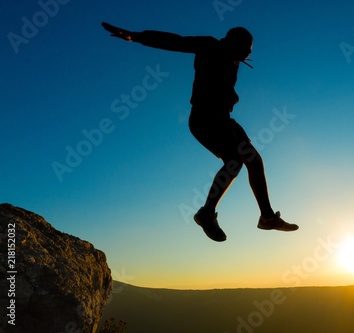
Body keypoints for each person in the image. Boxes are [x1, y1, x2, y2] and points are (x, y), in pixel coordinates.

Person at [102, 22, 298, 242]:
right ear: (234, 43)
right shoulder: (209, 46)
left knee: (253, 159)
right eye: (246, 48)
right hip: (204, 118)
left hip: (225, 120)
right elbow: (176, 41)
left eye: (249, 50)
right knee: (234, 160)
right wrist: (137, 36)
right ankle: (206, 214)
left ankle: (267, 217)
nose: (248, 54)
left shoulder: (234, 59)